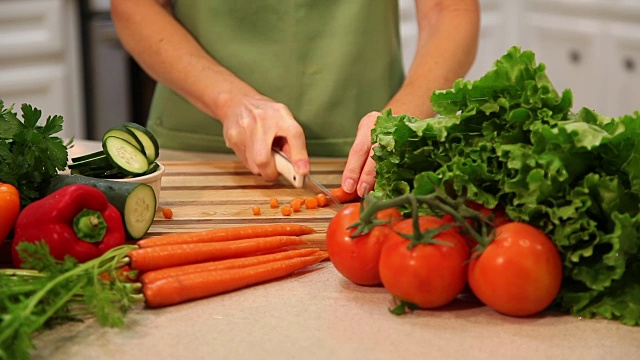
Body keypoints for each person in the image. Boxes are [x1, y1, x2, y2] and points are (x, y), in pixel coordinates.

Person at [111, 0, 480, 197]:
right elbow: (135, 6)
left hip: (368, 150)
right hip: (200, 146)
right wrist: (229, 101)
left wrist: (401, 116)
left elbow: (450, 10)